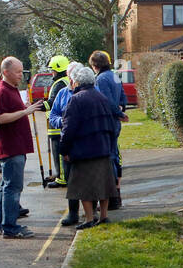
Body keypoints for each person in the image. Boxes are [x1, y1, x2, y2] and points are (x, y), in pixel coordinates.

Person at [59, 66, 120, 229]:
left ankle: (89, 218)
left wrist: (64, 149)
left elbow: (68, 127)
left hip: (83, 149)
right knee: (104, 184)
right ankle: (104, 216)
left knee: (83, 186)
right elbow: (111, 124)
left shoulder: (76, 99)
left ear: (77, 81)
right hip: (103, 147)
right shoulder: (102, 97)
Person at [0, 56, 46, 239]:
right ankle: (9, 227)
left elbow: (10, 112)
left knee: (7, 186)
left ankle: (5, 224)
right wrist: (25, 112)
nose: (20, 75)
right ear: (6, 72)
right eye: (17, 72)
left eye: (21, 71)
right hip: (10, 147)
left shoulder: (11, 89)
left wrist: (24, 107)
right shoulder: (2, 91)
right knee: (12, 187)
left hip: (16, 146)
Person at [89, 50, 128, 210]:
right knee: (115, 156)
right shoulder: (113, 75)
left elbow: (107, 101)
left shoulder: (101, 79)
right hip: (115, 121)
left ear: (94, 65)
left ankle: (112, 198)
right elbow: (122, 96)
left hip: (108, 121)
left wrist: (118, 113)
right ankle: (117, 196)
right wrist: (122, 109)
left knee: (109, 157)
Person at [48, 62, 82, 226]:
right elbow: (53, 114)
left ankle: (92, 212)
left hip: (84, 142)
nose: (72, 77)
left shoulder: (89, 91)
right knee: (71, 179)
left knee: (88, 178)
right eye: (70, 74)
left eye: (75, 74)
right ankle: (73, 213)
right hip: (67, 142)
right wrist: (61, 122)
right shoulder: (62, 93)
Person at [42, 55, 70, 189]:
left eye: (52, 70)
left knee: (59, 152)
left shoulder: (59, 84)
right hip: (61, 123)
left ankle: (62, 178)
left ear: (58, 69)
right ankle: (62, 175)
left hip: (56, 126)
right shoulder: (66, 81)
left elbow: (52, 103)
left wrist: (40, 106)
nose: (51, 72)